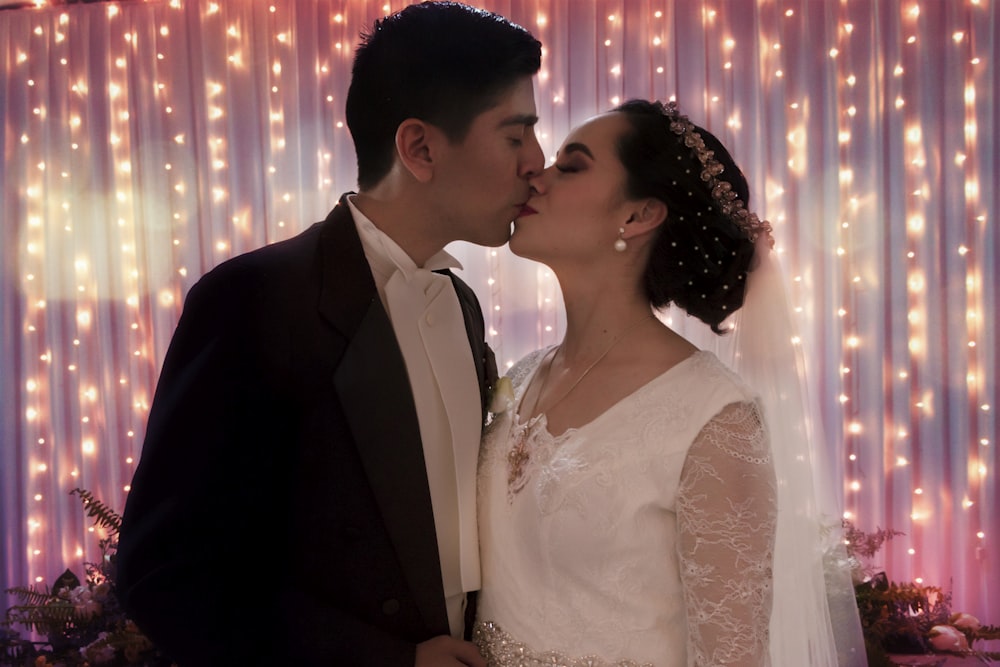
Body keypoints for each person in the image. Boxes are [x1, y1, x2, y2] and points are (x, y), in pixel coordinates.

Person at [116, 3, 544, 666]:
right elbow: (164, 576)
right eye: (516, 136)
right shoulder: (254, 299)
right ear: (420, 148)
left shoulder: (460, 303)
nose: (536, 162)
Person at [474, 100, 866, 666]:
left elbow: (730, 656)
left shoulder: (712, 415)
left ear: (638, 216)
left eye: (573, 165)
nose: (537, 175)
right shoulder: (518, 376)